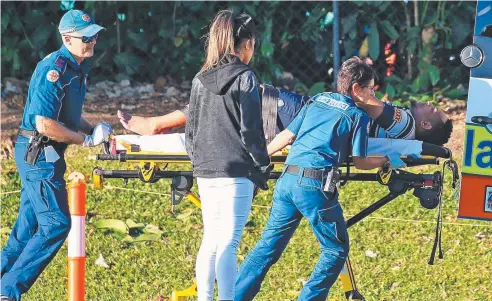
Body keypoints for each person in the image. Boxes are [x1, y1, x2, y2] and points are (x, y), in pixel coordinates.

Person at [234, 57, 405, 301]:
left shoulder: (317, 100)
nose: (374, 94)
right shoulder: (358, 115)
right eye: (371, 88)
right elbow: (361, 161)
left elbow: (287, 135)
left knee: (267, 247)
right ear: (357, 89)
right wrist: (387, 160)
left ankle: (235, 297)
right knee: (336, 249)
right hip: (314, 186)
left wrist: (256, 159)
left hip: (286, 182)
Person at [1, 10, 112, 301]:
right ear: (67, 39)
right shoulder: (55, 68)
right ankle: (8, 291)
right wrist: (86, 140)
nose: (93, 42)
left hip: (45, 156)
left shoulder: (76, 68)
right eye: (86, 38)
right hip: (39, 153)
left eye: (95, 36)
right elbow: (44, 123)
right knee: (56, 222)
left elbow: (66, 116)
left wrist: (94, 127)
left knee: (28, 229)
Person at [184, 10, 270, 301]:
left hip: (206, 170)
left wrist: (198, 162)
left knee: (211, 240)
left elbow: (190, 132)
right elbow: (251, 132)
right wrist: (262, 166)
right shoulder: (246, 78)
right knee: (229, 243)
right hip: (237, 172)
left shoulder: (199, 79)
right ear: (246, 44)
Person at [117, 84, 452, 146]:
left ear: (425, 124)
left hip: (310, 115)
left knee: (242, 96)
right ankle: (165, 127)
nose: (428, 104)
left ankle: (156, 124)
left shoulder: (404, 122)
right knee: (239, 103)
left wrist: (364, 89)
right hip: (316, 120)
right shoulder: (403, 129)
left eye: (433, 111)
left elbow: (360, 100)